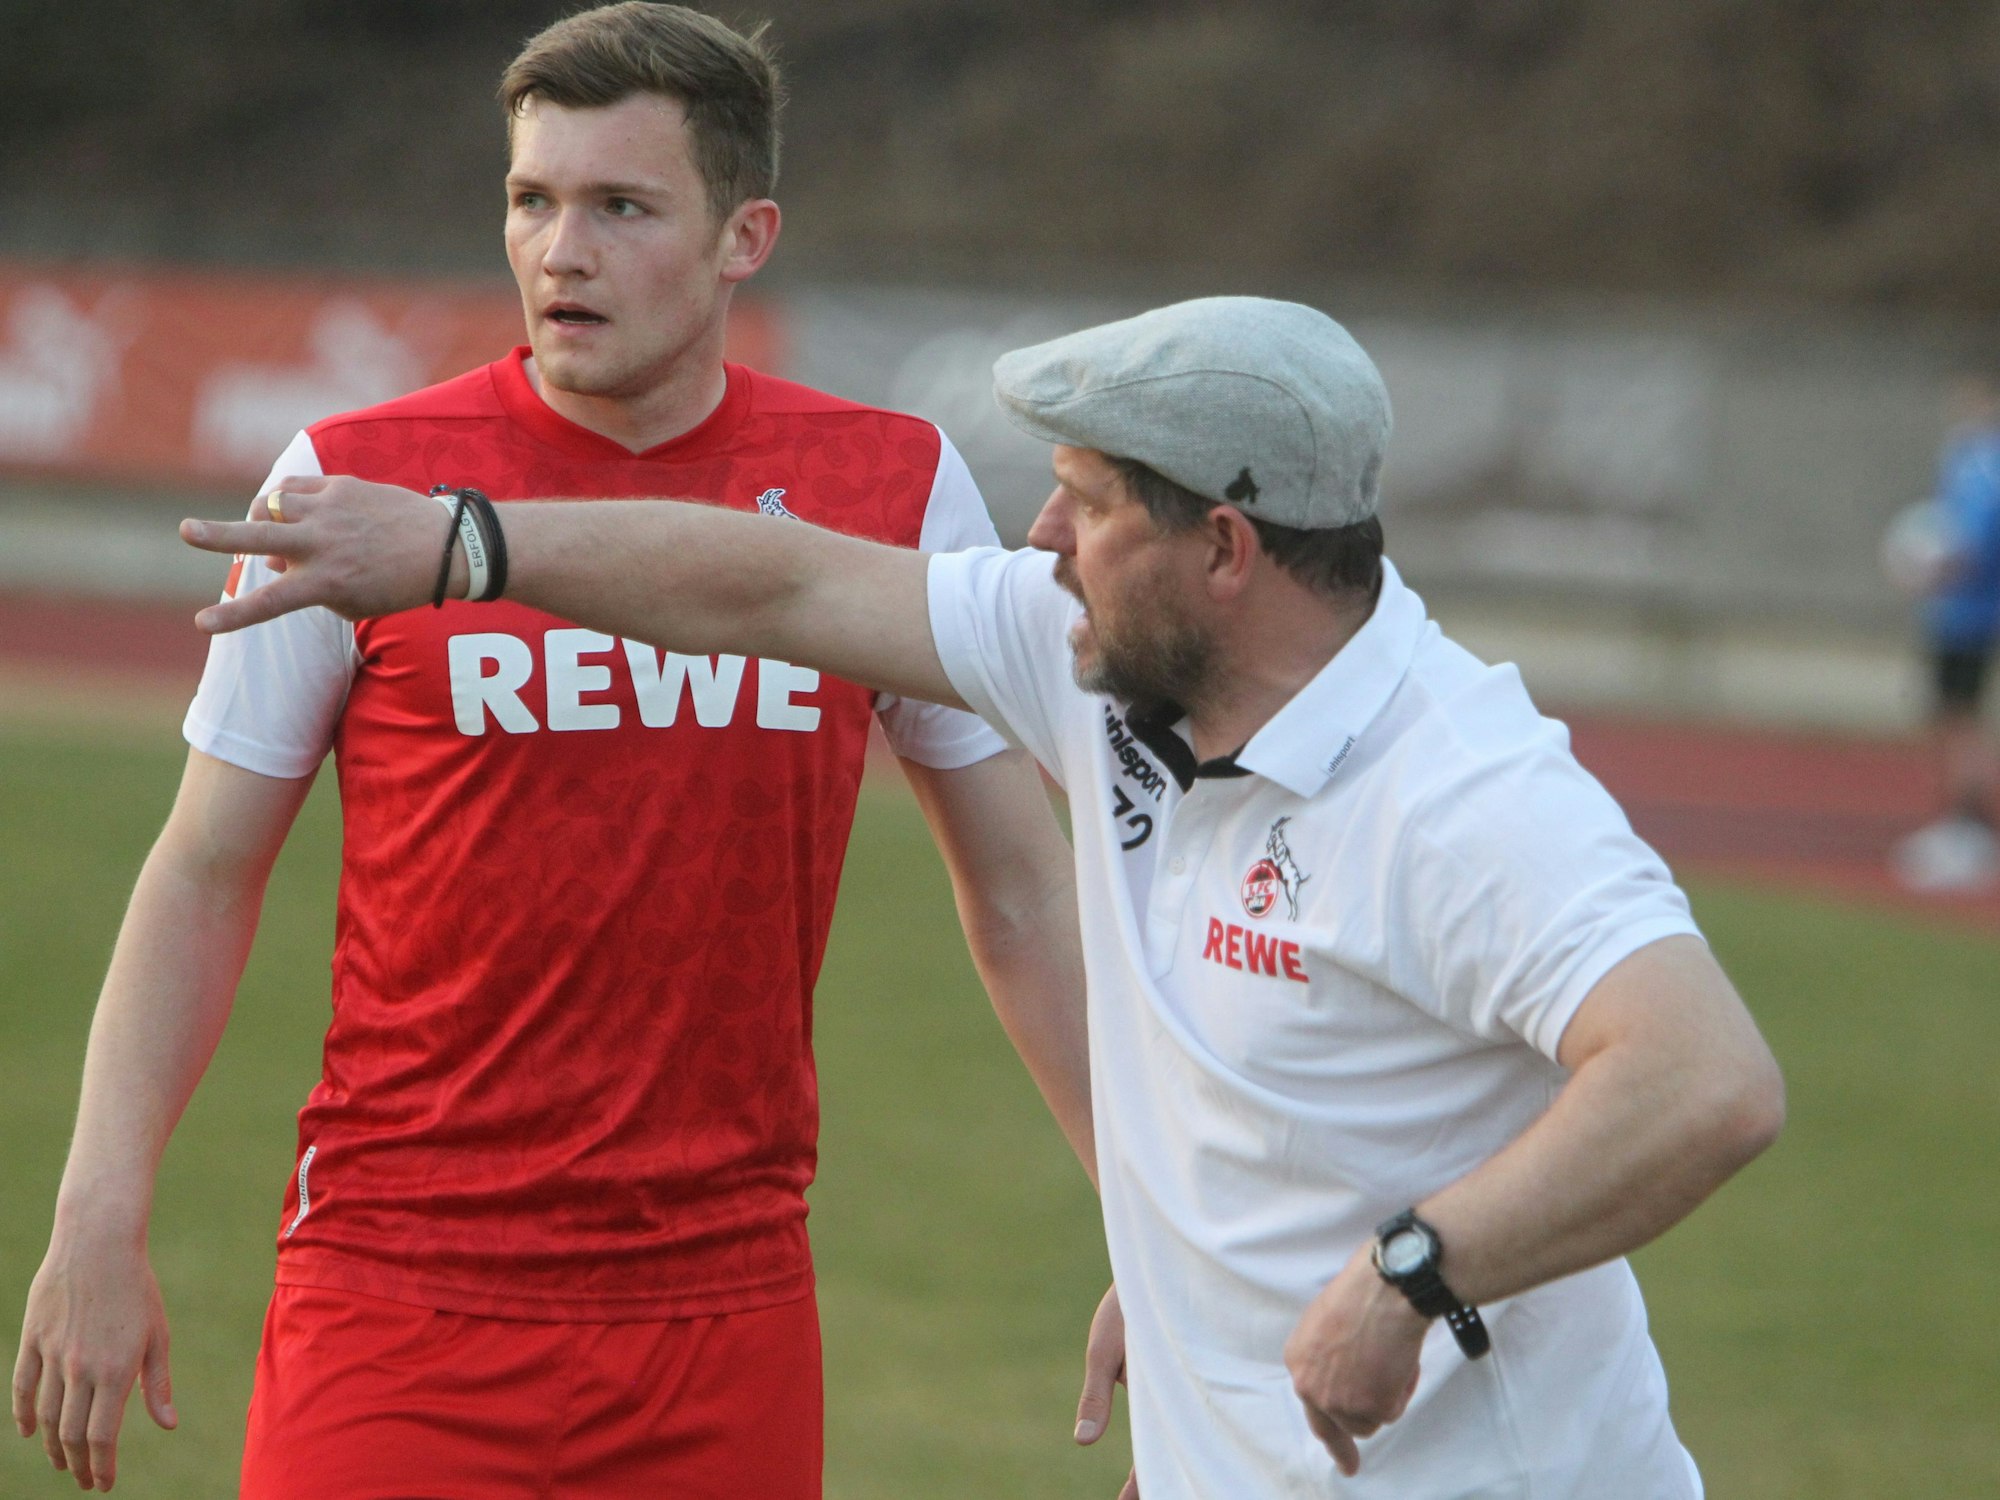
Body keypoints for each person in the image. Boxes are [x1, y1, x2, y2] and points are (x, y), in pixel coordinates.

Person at [176, 294, 1788, 1499]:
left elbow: (1705, 1081)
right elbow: (776, 580)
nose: (1039, 537)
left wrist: (1405, 1276)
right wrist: (467, 544)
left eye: (1085, 500)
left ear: (1222, 546)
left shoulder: (1462, 791)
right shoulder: (1094, 656)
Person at [11, 6, 1092, 1497]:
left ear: (744, 235)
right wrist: (96, 1212)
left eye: (621, 207)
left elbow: (1024, 895)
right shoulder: (351, 481)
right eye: (532, 200)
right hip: (395, 1301)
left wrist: (1156, 1236)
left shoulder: (885, 486)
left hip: (725, 1318)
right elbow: (202, 870)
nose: (558, 251)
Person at [1889, 365, 2000, 893]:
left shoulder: (1982, 461)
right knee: (1954, 717)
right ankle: (1964, 828)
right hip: (1963, 612)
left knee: (1959, 721)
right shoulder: (1968, 458)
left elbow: (1971, 545)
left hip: (1967, 614)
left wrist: (1928, 570)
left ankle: (1967, 830)